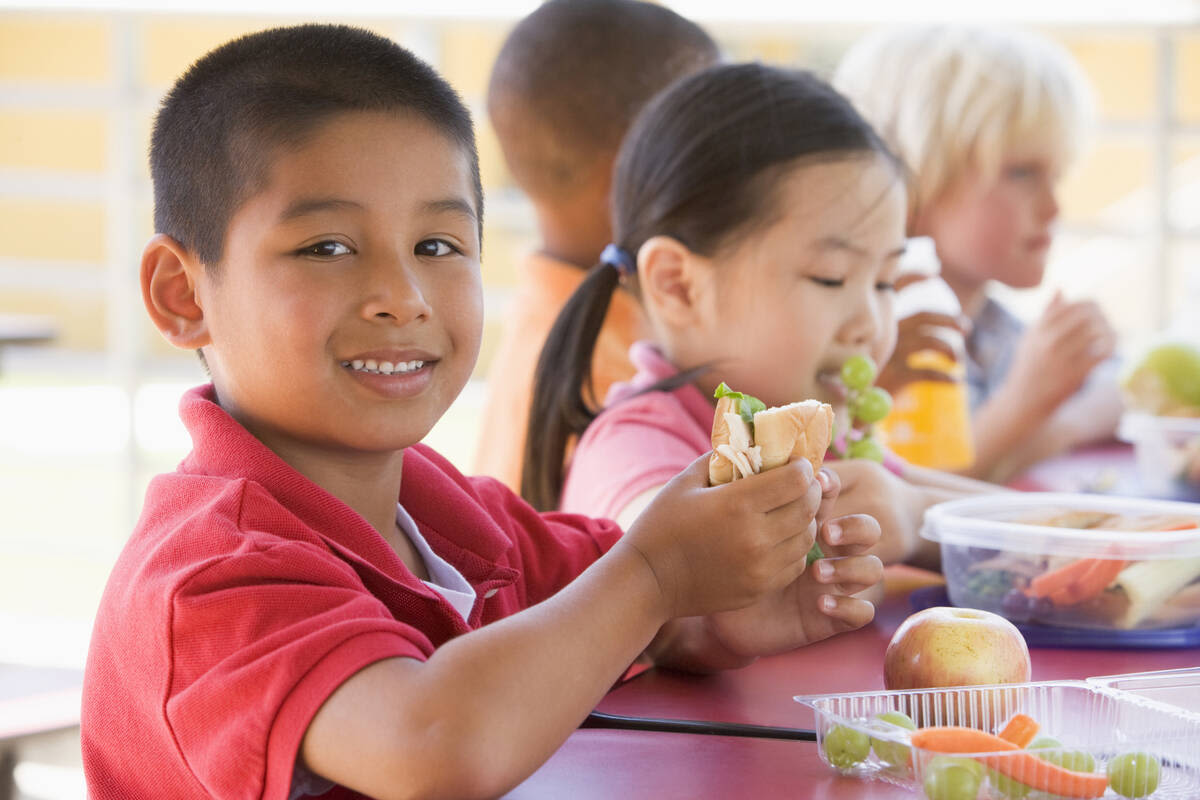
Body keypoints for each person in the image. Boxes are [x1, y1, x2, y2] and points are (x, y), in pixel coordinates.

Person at [81, 25, 884, 800]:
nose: (402, 298)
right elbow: (431, 745)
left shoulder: (447, 515)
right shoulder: (208, 577)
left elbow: (621, 613)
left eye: (437, 246)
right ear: (183, 294)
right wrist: (655, 577)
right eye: (327, 247)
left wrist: (722, 611)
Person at [523, 62, 999, 572]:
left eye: (884, 282)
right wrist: (911, 518)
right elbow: (665, 579)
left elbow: (1004, 519)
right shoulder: (635, 448)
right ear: (678, 286)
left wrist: (914, 514)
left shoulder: (809, 435)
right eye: (831, 277)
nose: (871, 324)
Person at [834, 26, 1122, 483]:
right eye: (1023, 173)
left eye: (1058, 174)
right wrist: (1024, 405)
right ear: (914, 177)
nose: (1054, 207)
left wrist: (1051, 427)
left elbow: (1117, 392)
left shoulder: (993, 329)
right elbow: (897, 497)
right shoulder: (880, 338)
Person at [474, 0, 720, 491]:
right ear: (634, 166)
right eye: (710, 145)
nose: (734, 167)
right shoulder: (608, 378)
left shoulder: (568, 321)